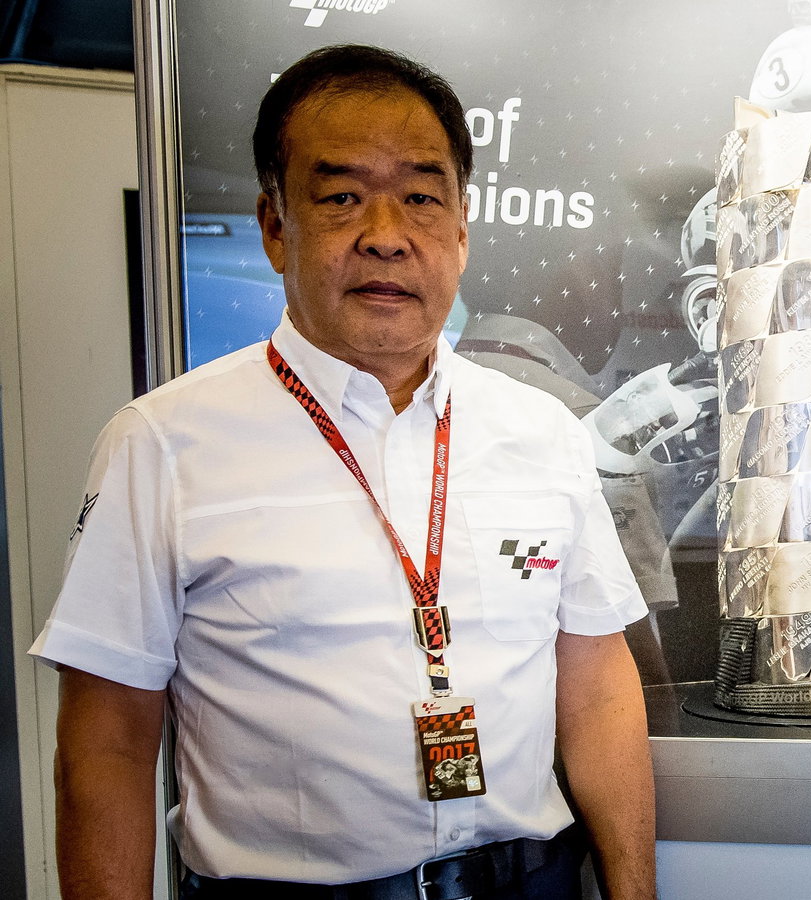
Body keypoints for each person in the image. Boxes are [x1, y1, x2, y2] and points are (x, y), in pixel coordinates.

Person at [31, 44, 656, 900]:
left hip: (529, 882)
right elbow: (106, 741)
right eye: (341, 198)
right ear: (275, 226)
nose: (386, 237)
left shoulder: (544, 432)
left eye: (422, 198)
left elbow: (596, 685)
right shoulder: (161, 446)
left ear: (462, 231)